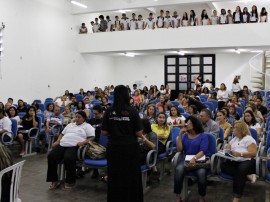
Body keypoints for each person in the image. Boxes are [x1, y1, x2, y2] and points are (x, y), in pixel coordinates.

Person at [101, 85, 144, 202]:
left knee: (115, 176)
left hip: (114, 148)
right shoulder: (132, 111)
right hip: (130, 148)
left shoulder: (109, 111)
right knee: (131, 176)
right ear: (127, 95)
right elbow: (139, 132)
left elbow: (104, 132)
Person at [47, 111, 95, 190]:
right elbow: (62, 134)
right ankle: (54, 181)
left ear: (84, 118)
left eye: (79, 117)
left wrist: (83, 142)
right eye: (76, 117)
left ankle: (70, 182)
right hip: (63, 144)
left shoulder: (87, 126)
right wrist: (57, 141)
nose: (76, 118)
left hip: (74, 146)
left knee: (68, 158)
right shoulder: (70, 125)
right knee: (51, 156)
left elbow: (91, 138)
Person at [174, 116, 210, 202]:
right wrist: (180, 135)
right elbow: (179, 149)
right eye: (186, 123)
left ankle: (202, 197)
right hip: (187, 159)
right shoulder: (185, 135)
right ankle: (178, 196)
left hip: (200, 159)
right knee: (178, 170)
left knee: (201, 174)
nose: (187, 124)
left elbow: (203, 150)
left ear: (195, 124)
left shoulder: (203, 136)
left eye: (189, 123)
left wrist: (194, 158)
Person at [221, 120, 257, 202]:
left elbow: (253, 153)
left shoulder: (249, 139)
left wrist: (240, 154)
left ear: (240, 130)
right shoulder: (235, 138)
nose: (233, 130)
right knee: (223, 166)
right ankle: (248, 175)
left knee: (240, 171)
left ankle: (236, 197)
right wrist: (227, 148)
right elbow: (228, 146)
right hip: (235, 161)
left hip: (247, 161)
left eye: (234, 129)